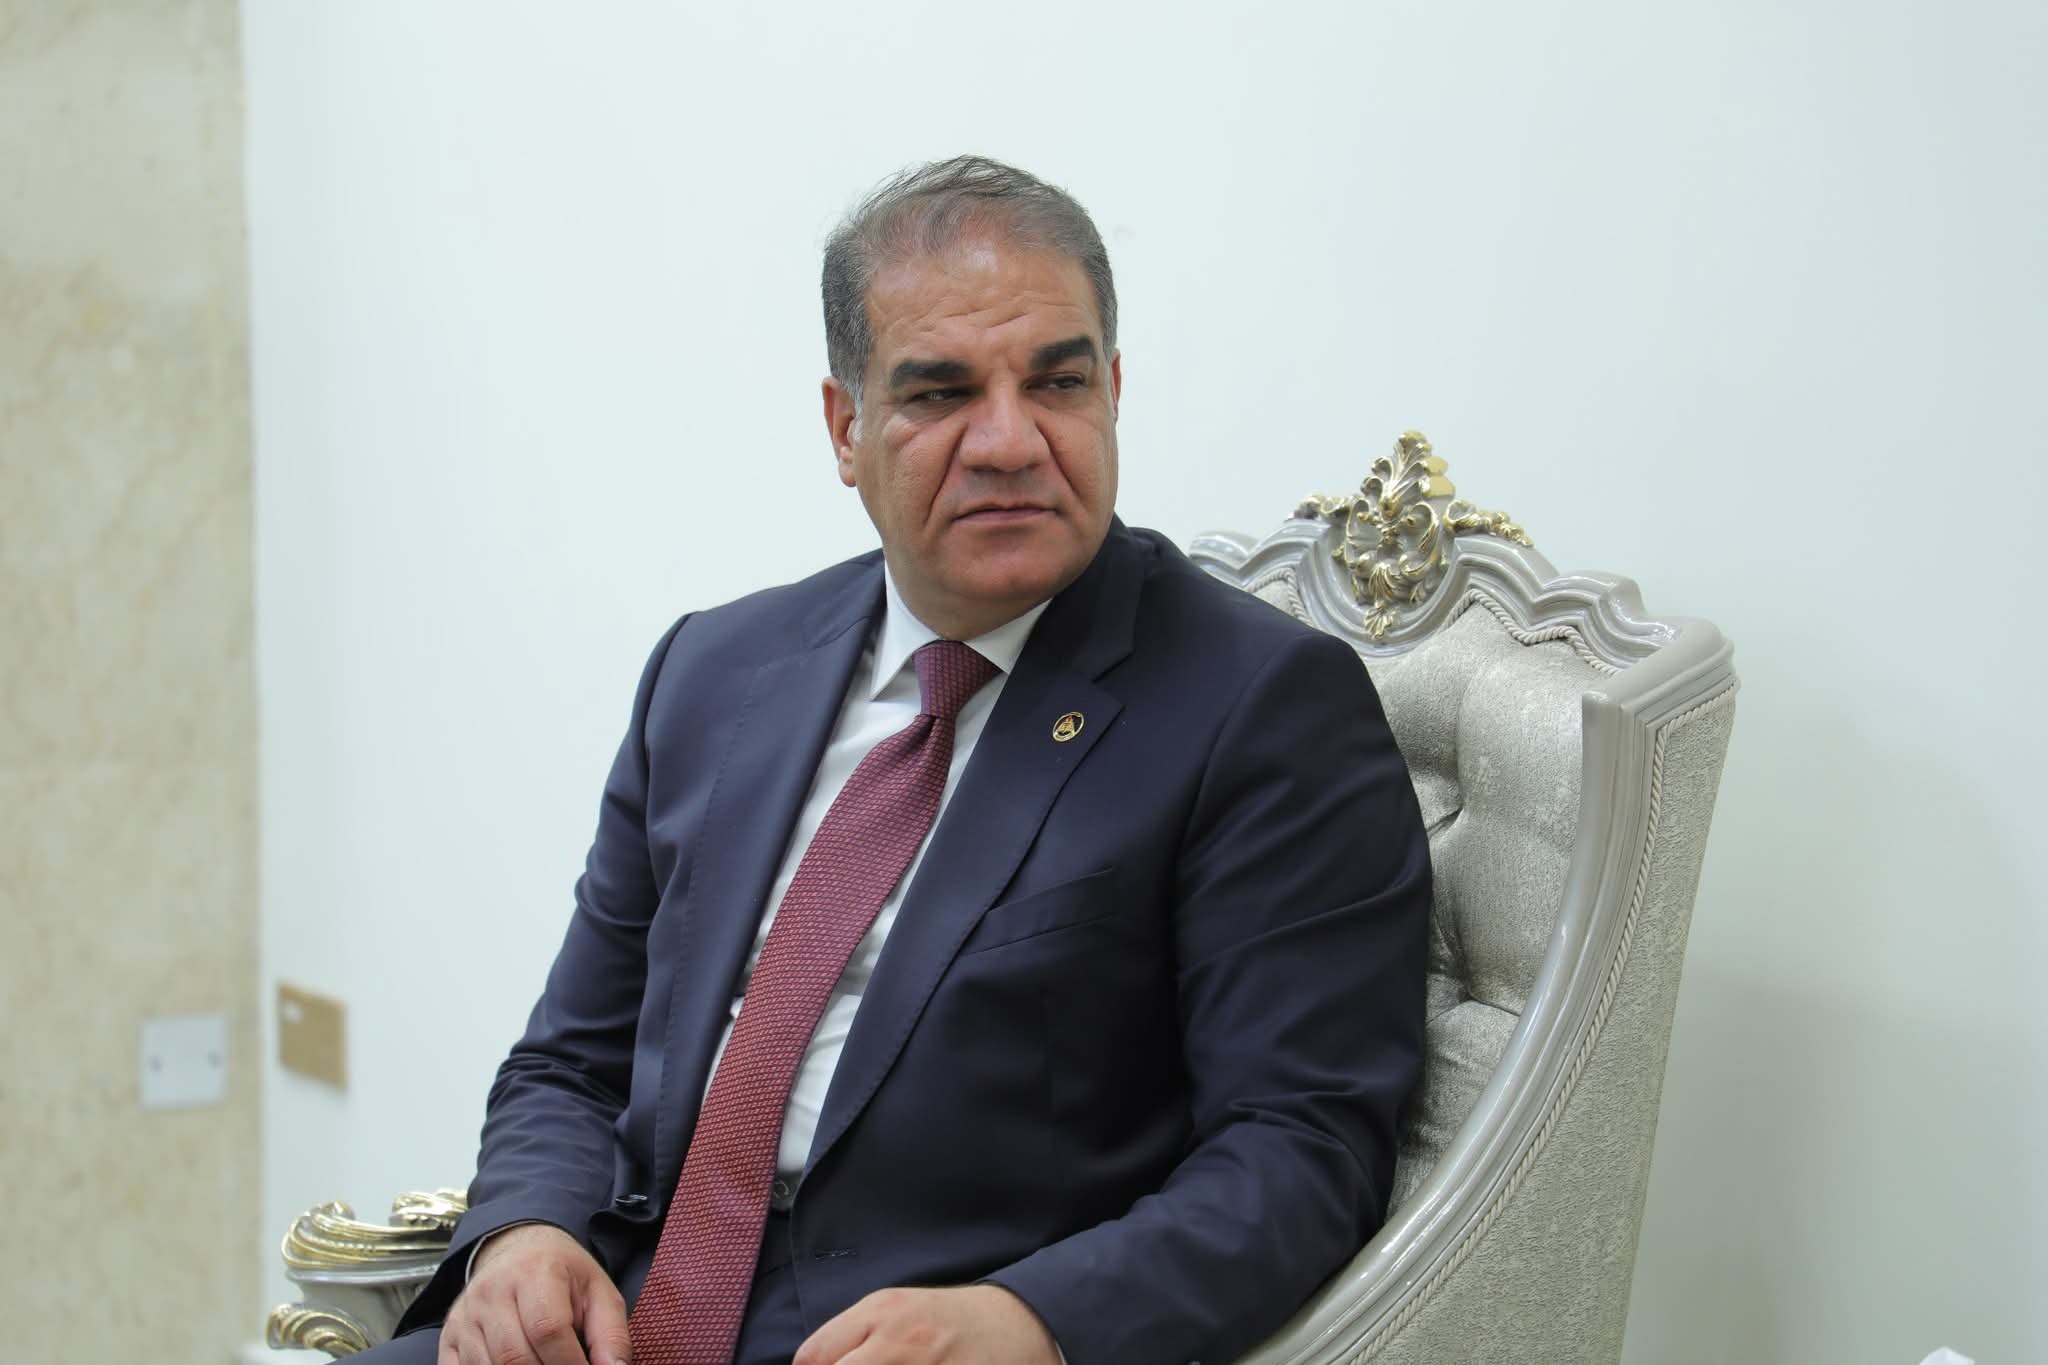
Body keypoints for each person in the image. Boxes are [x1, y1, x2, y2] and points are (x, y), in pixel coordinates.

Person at [364, 155, 1430, 1365]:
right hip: (615, 1316)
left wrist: (1032, 1320)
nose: (1009, 442)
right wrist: (524, 1236)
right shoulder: (714, 672)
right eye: (939, 392)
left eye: (1058, 382)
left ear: (1113, 391)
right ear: (846, 429)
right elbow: (574, 1057)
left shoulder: (1258, 707)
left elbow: (1300, 1150)